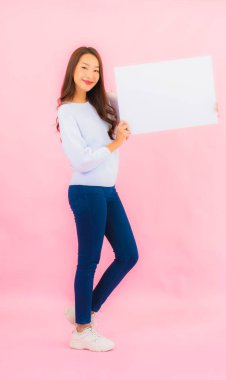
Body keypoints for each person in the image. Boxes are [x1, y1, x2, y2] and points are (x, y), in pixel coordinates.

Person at [56, 46, 139, 352]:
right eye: (84, 68)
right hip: (86, 191)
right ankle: (82, 330)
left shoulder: (104, 104)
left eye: (96, 70)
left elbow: (149, 103)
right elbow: (81, 160)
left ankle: (83, 309)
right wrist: (116, 143)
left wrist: (203, 107)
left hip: (108, 191)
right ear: (72, 72)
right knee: (88, 262)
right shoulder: (66, 111)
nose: (90, 75)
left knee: (129, 255)